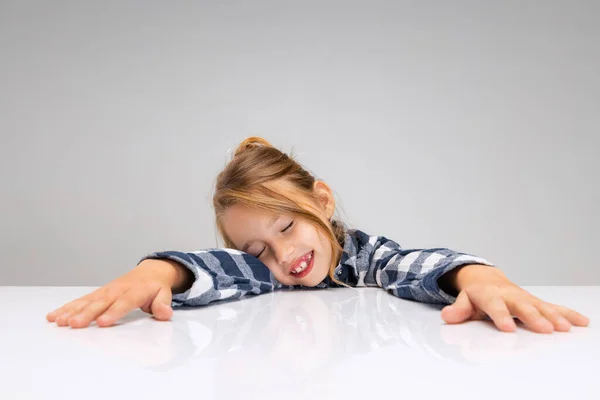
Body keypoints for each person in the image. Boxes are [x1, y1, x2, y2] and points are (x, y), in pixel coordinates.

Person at [46, 137, 590, 333]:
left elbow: (414, 263)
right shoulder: (261, 272)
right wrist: (157, 271)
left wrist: (479, 275)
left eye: (288, 225)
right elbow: (216, 267)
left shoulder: (365, 259)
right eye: (257, 249)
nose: (283, 255)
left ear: (322, 202)